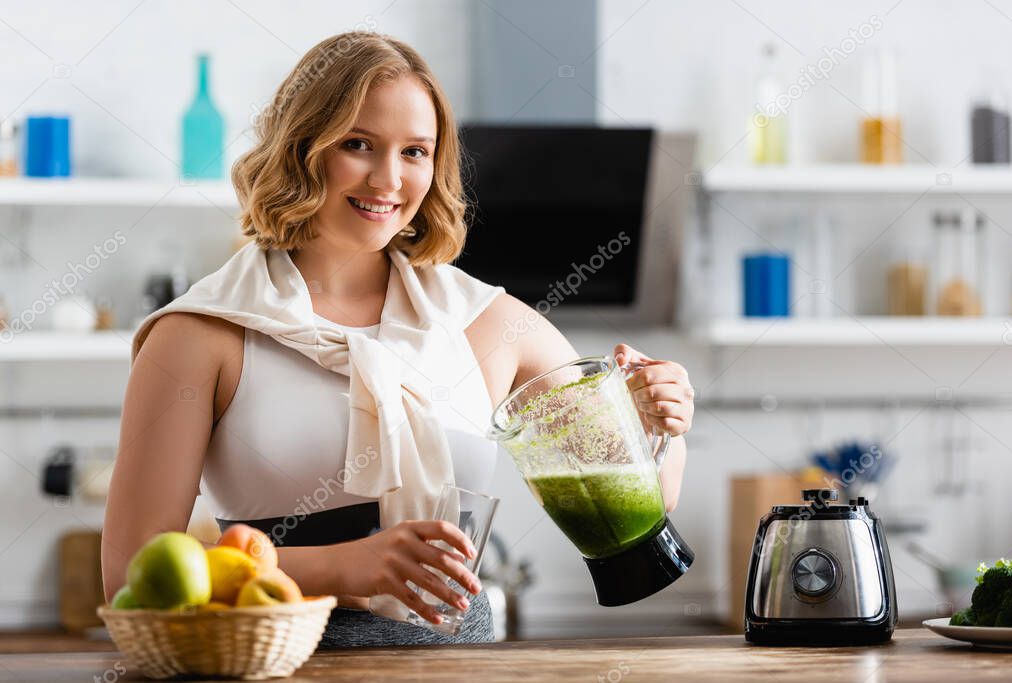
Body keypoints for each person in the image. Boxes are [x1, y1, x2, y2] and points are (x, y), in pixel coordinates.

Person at [101, 31, 694, 647]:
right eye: (358, 144)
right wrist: (340, 567)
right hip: (278, 665)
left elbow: (643, 499)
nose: (388, 179)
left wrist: (659, 424)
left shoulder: (489, 323)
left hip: (459, 666)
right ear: (301, 148)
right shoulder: (201, 334)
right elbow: (128, 576)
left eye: (415, 152)